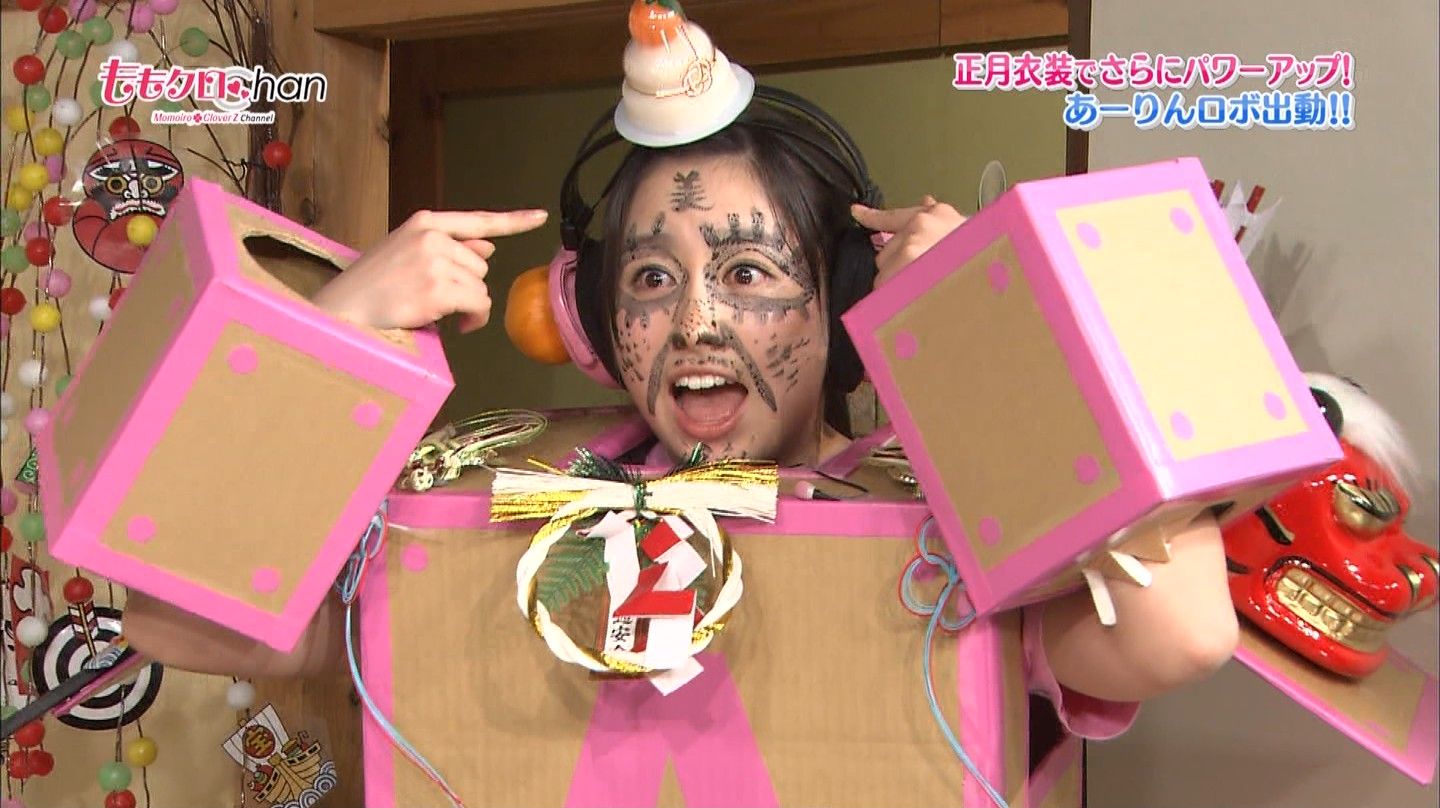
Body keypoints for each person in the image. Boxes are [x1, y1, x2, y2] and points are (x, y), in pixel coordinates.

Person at [123, 88, 1237, 733]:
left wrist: (1003, 326)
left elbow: (1183, 631)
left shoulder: (954, 521)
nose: (696, 321)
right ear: (593, 319)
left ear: (847, 305)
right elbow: (174, 621)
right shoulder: (501, 503)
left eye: (749, 274)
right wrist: (330, 336)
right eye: (651, 279)